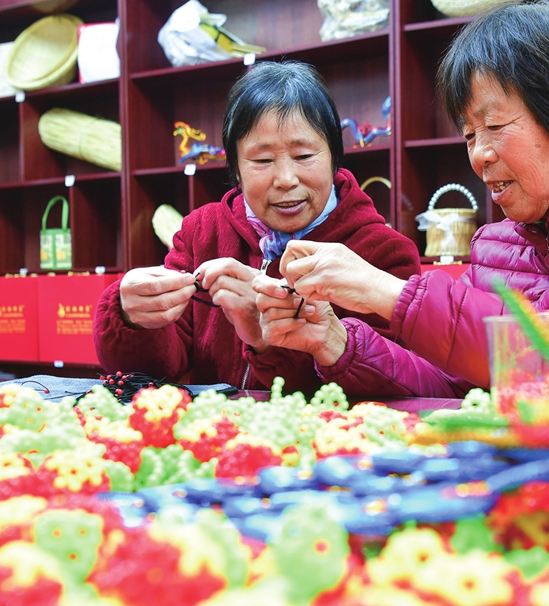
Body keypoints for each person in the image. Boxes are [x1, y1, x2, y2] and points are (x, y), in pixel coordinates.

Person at [252, 0, 549, 398]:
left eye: (494, 126)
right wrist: (336, 343)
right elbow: (464, 388)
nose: (479, 156)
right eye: (468, 134)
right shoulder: (496, 245)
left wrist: (389, 292)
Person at [93, 61, 419, 391]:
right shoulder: (201, 233)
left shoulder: (383, 253)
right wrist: (133, 318)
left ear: (335, 156)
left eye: (304, 156)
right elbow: (157, 369)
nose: (286, 180)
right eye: (262, 161)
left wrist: (268, 337)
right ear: (235, 167)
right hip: (217, 438)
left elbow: (396, 386)